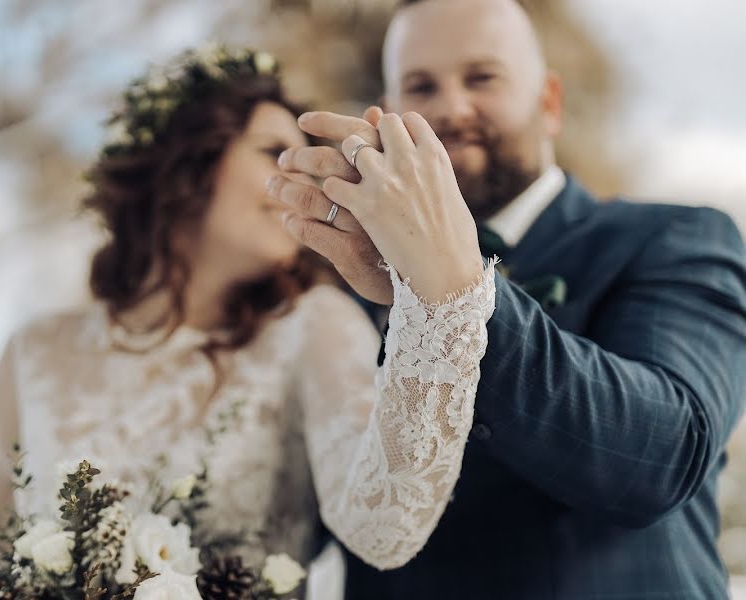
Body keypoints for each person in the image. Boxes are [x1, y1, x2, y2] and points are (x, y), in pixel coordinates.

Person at [0, 45, 497, 597]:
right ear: (189, 162)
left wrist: (438, 301)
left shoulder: (315, 326)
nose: (304, 180)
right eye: (274, 150)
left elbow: (385, 529)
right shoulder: (36, 351)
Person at [269, 0, 746, 597]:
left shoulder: (675, 238)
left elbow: (662, 456)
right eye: (421, 86)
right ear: (390, 115)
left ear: (549, 103)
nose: (451, 108)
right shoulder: (348, 287)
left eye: (482, 78)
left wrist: (451, 293)